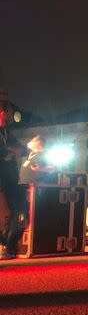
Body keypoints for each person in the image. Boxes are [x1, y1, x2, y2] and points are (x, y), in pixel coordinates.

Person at [0, 89, 26, 260]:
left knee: (23, 210)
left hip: (10, 179)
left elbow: (21, 149)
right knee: (6, 213)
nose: (10, 118)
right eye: (8, 114)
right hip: (2, 180)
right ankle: (5, 246)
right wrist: (9, 151)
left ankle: (7, 245)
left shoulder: (6, 133)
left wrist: (9, 150)